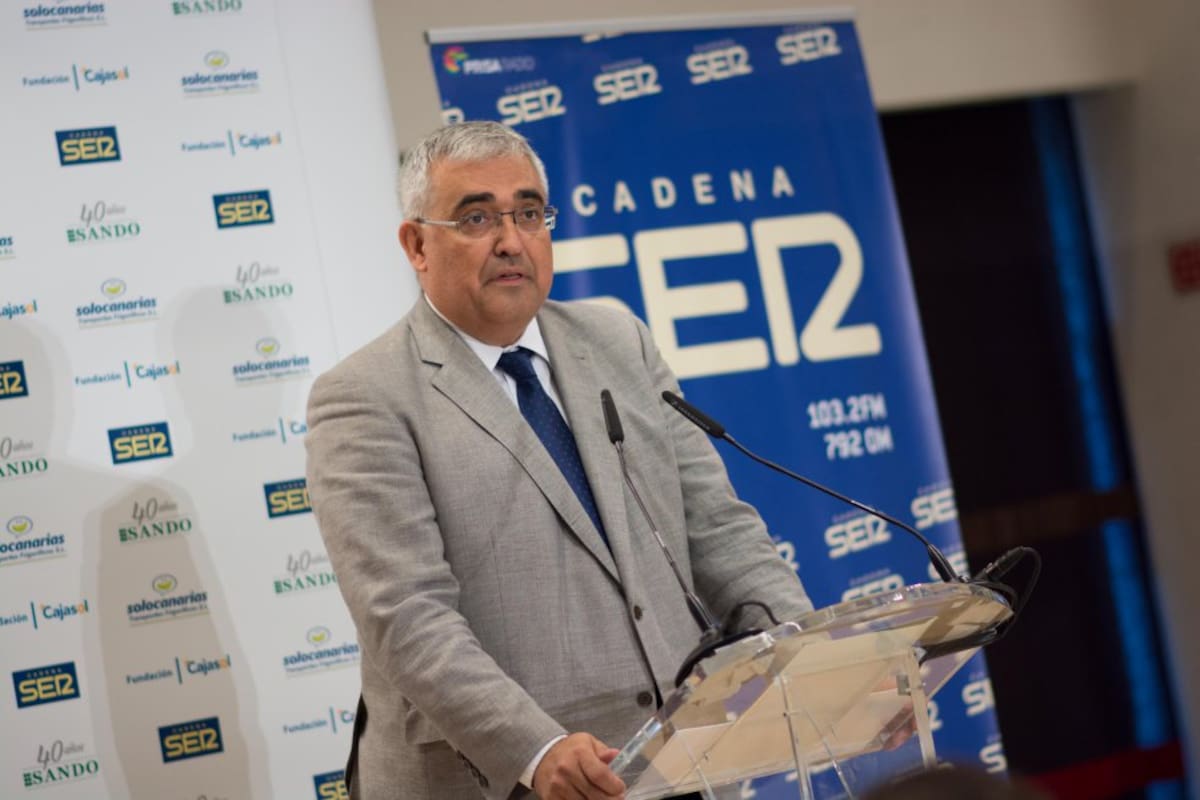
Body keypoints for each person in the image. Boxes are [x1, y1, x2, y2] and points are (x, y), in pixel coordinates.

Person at [305, 121, 813, 800]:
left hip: (674, 759)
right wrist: (535, 747)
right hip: (499, 779)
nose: (511, 240)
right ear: (417, 244)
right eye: (476, 218)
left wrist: (813, 662)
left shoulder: (618, 340)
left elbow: (718, 531)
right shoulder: (364, 395)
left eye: (529, 213)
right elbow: (405, 616)